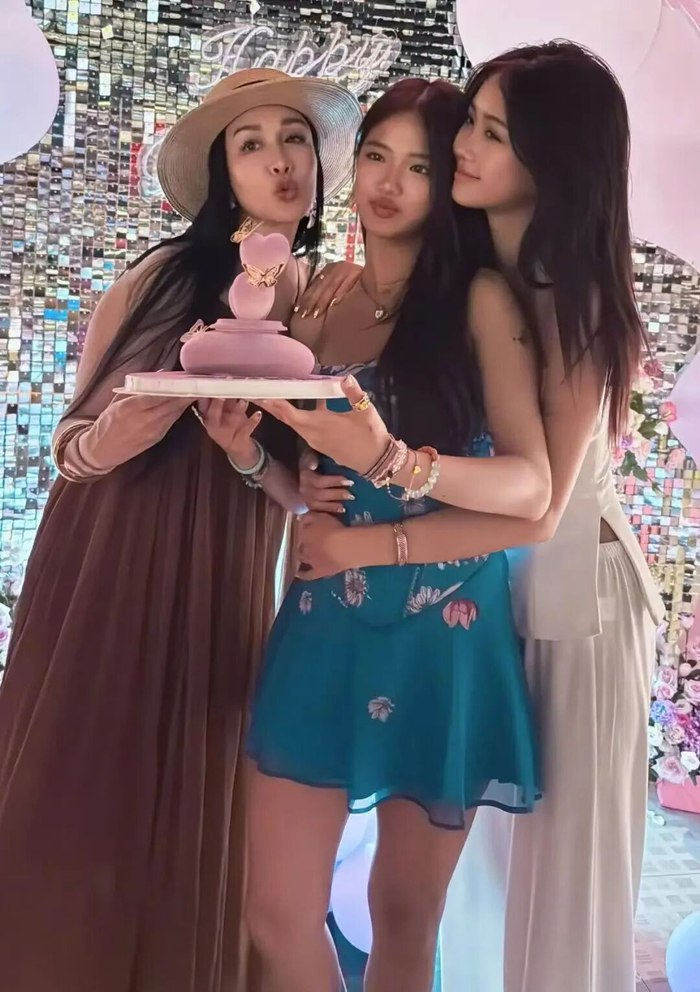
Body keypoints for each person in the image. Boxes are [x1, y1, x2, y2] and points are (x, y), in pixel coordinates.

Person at [292, 43, 665, 992]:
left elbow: (542, 507)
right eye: (473, 124)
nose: (463, 148)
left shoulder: (567, 289)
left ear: (552, 158)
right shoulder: (478, 274)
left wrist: (370, 526)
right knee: (476, 900)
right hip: (493, 593)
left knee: (563, 887)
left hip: (579, 602)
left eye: (491, 134)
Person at [0, 67, 361, 992]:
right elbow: (71, 447)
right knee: (86, 781)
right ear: (221, 174)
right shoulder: (162, 277)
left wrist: (247, 458)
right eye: (252, 144)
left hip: (227, 561)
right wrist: (122, 429)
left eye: (294, 139)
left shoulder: (324, 299)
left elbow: (297, 492)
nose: (280, 161)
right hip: (111, 547)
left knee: (201, 780)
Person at [244, 77, 550, 992]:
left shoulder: (479, 301)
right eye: (376, 156)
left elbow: (530, 484)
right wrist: (260, 463)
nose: (389, 182)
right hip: (324, 621)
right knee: (274, 913)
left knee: (406, 919)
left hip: (445, 631)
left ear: (448, 182)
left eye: (419, 166)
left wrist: (392, 471)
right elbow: (303, 480)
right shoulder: (316, 301)